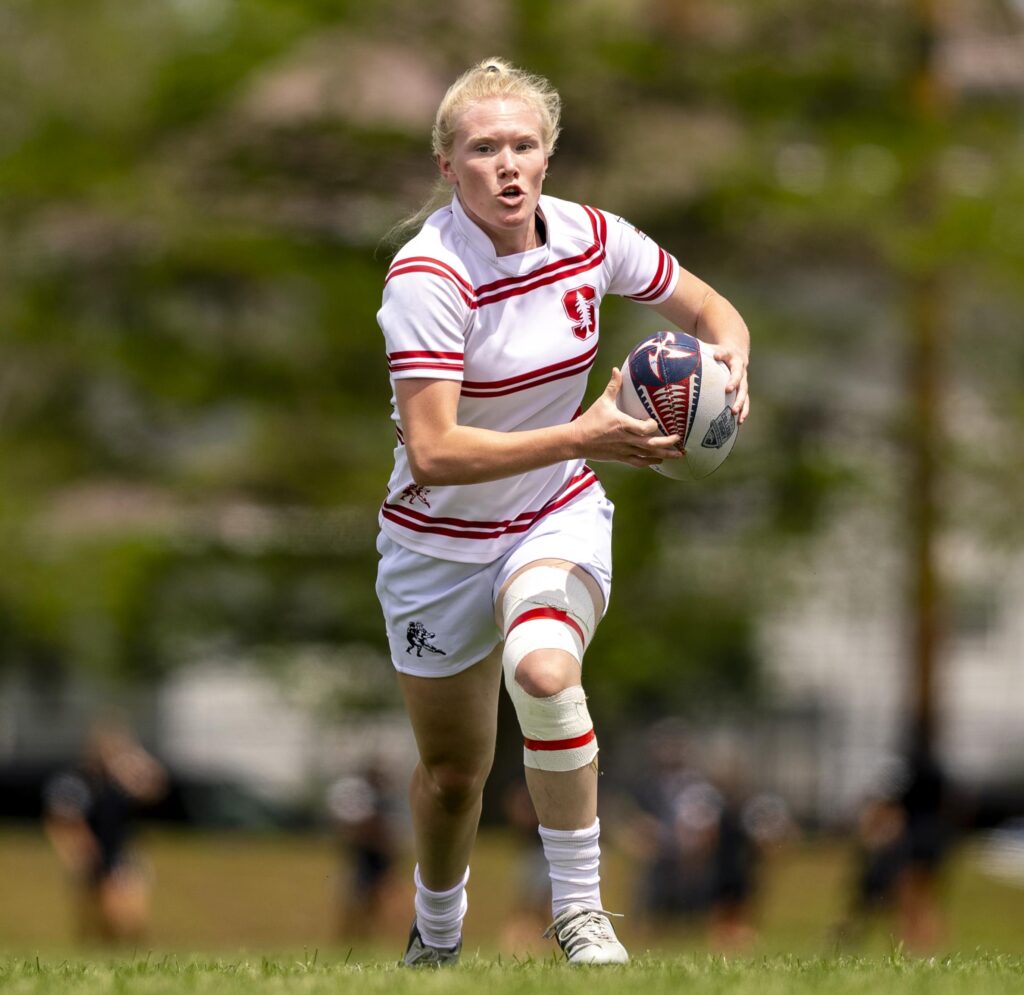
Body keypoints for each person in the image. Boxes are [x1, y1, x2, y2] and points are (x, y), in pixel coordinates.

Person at [375, 57, 751, 966]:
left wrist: (733, 367)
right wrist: (585, 433)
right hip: (438, 545)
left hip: (555, 513)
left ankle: (581, 913)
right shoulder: (427, 276)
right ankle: (436, 932)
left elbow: (709, 306)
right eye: (482, 149)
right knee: (456, 776)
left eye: (523, 145)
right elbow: (435, 451)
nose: (506, 165)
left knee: (545, 673)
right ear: (446, 166)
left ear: (547, 157)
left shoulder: (589, 237)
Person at [42, 719, 167, 944]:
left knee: (131, 917)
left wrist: (138, 761)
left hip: (121, 857)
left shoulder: (123, 782)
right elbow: (61, 821)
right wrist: (73, 853)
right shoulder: (78, 782)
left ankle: (130, 958)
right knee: (96, 923)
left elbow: (155, 790)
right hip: (92, 857)